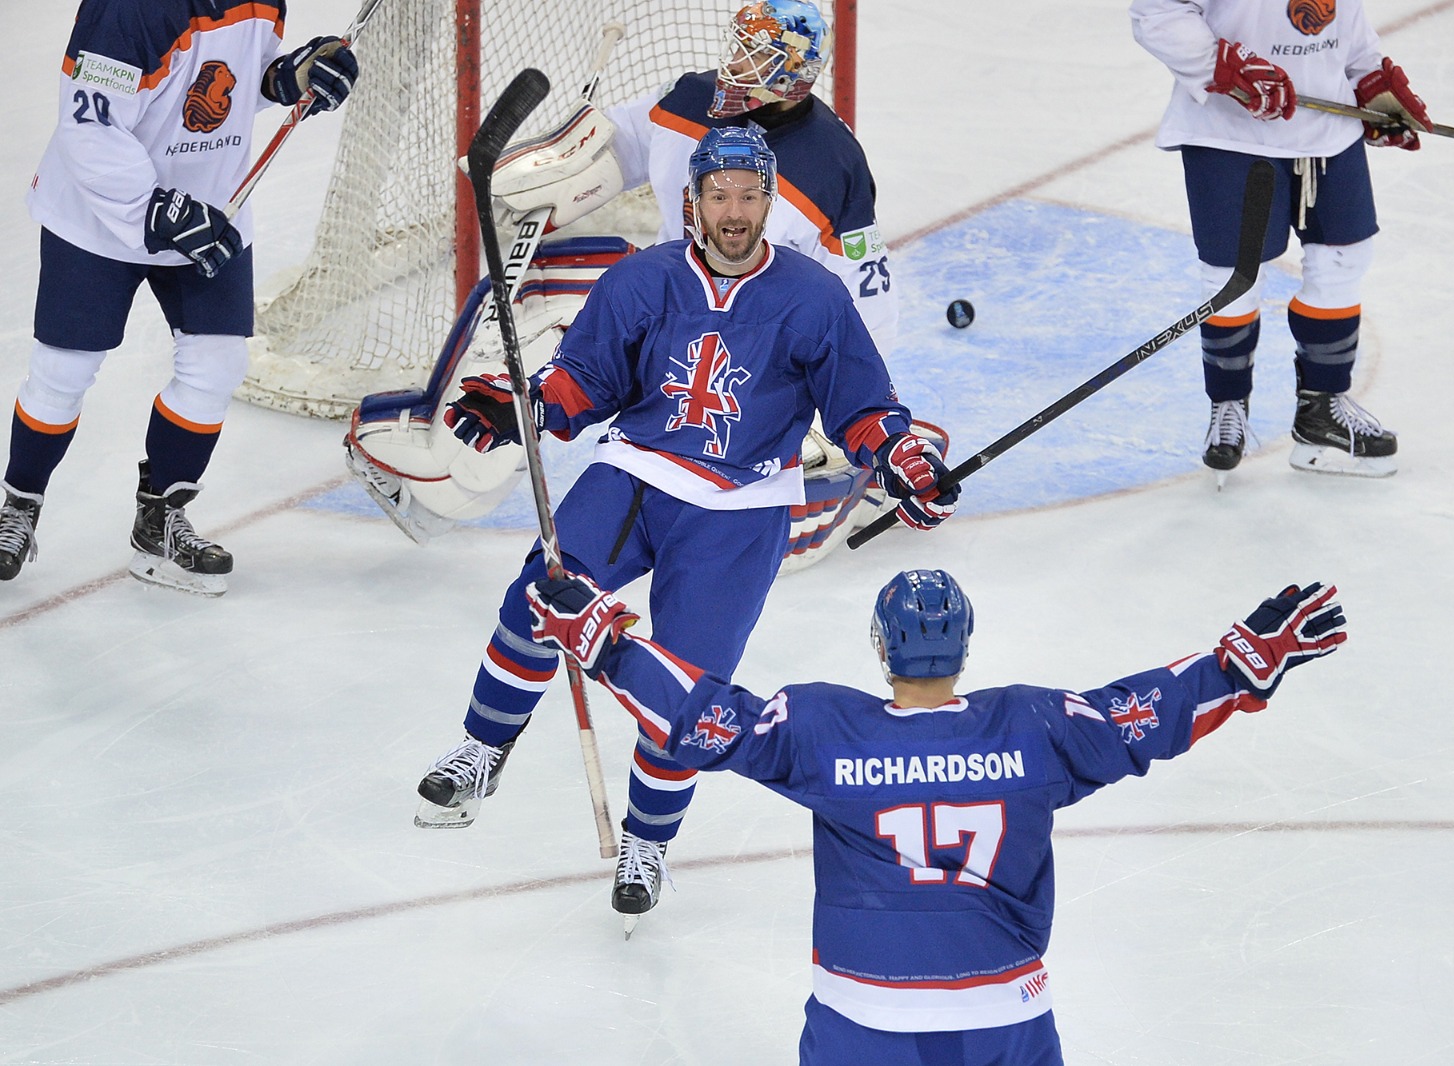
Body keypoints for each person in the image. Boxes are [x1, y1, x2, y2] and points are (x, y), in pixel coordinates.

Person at [411, 127, 959, 936]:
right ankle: (481, 750)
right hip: (636, 473)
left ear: (768, 201)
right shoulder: (643, 279)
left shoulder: (812, 296)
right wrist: (524, 405)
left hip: (741, 512)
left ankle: (646, 842)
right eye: (719, 195)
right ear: (691, 202)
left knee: (686, 692)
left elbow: (863, 409)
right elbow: (583, 379)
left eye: (748, 196)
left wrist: (904, 459)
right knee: (540, 597)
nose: (734, 213)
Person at [521, 566, 1348, 1062]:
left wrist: (606, 644)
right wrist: (1238, 667)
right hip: (1004, 1019)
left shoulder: (824, 729)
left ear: (880, 648)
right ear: (966, 645)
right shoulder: (1033, 726)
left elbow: (703, 719)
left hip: (862, 1017)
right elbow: (1144, 717)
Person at [345, 0, 922, 563]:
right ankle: (457, 448)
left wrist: (845, 409)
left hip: (752, 342)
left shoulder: (833, 166)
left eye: (751, 57)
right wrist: (556, 173)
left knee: (556, 336)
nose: (732, 64)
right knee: (526, 289)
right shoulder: (696, 97)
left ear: (788, 76)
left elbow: (865, 294)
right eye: (737, 48)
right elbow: (625, 141)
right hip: (671, 289)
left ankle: (455, 482)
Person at [0, 0, 359, 594]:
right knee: (63, 370)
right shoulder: (129, 10)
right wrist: (155, 208)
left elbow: (242, 75)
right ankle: (19, 503)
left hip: (211, 204)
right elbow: (88, 127)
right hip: (98, 215)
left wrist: (293, 74)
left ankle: (160, 519)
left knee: (217, 365)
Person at [1130, 0, 1431, 483]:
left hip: (1329, 128)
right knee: (1234, 277)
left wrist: (1369, 79)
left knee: (1343, 258)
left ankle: (1322, 411)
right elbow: (1157, 13)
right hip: (1232, 132)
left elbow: (1343, 20)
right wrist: (1221, 65)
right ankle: (1228, 406)